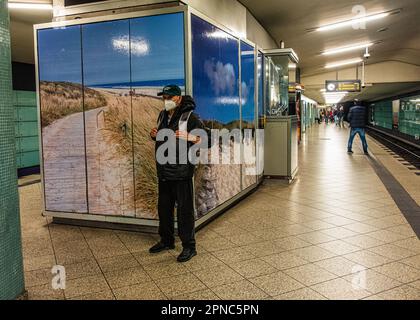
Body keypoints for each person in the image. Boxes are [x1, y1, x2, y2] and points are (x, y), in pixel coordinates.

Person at [149, 84, 207, 262]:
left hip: (181, 172)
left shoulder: (190, 117)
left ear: (179, 98)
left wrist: (191, 137)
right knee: (164, 209)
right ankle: (167, 241)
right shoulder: (162, 115)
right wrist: (154, 135)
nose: (166, 101)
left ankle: (189, 247)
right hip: (164, 171)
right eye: (164, 98)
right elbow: (164, 138)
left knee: (184, 211)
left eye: (170, 98)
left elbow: (206, 138)